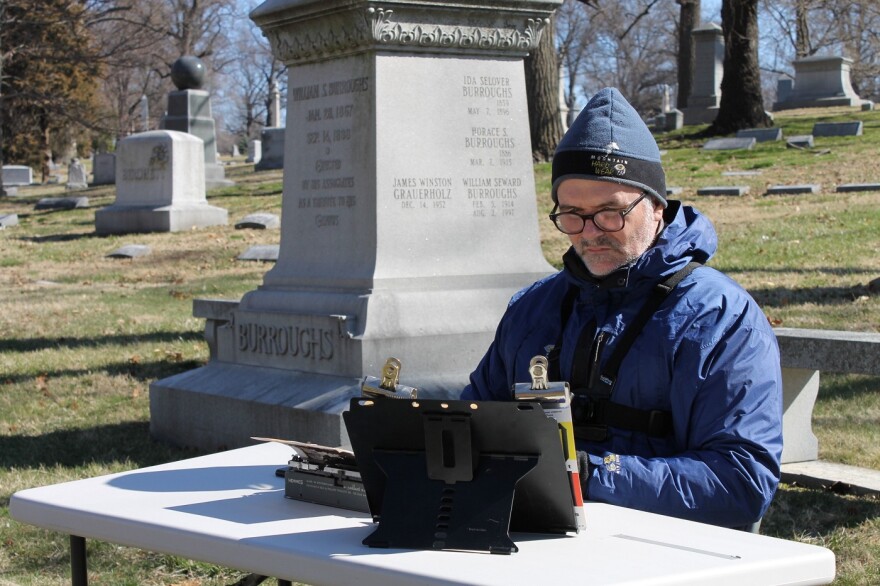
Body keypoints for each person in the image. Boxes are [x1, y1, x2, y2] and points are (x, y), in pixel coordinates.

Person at [461, 87, 783, 529]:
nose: (590, 232)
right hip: (533, 543)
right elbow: (471, 429)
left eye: (611, 212)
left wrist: (590, 475)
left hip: (671, 552)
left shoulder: (721, 317)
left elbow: (742, 484)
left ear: (656, 207)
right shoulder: (532, 309)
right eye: (571, 214)